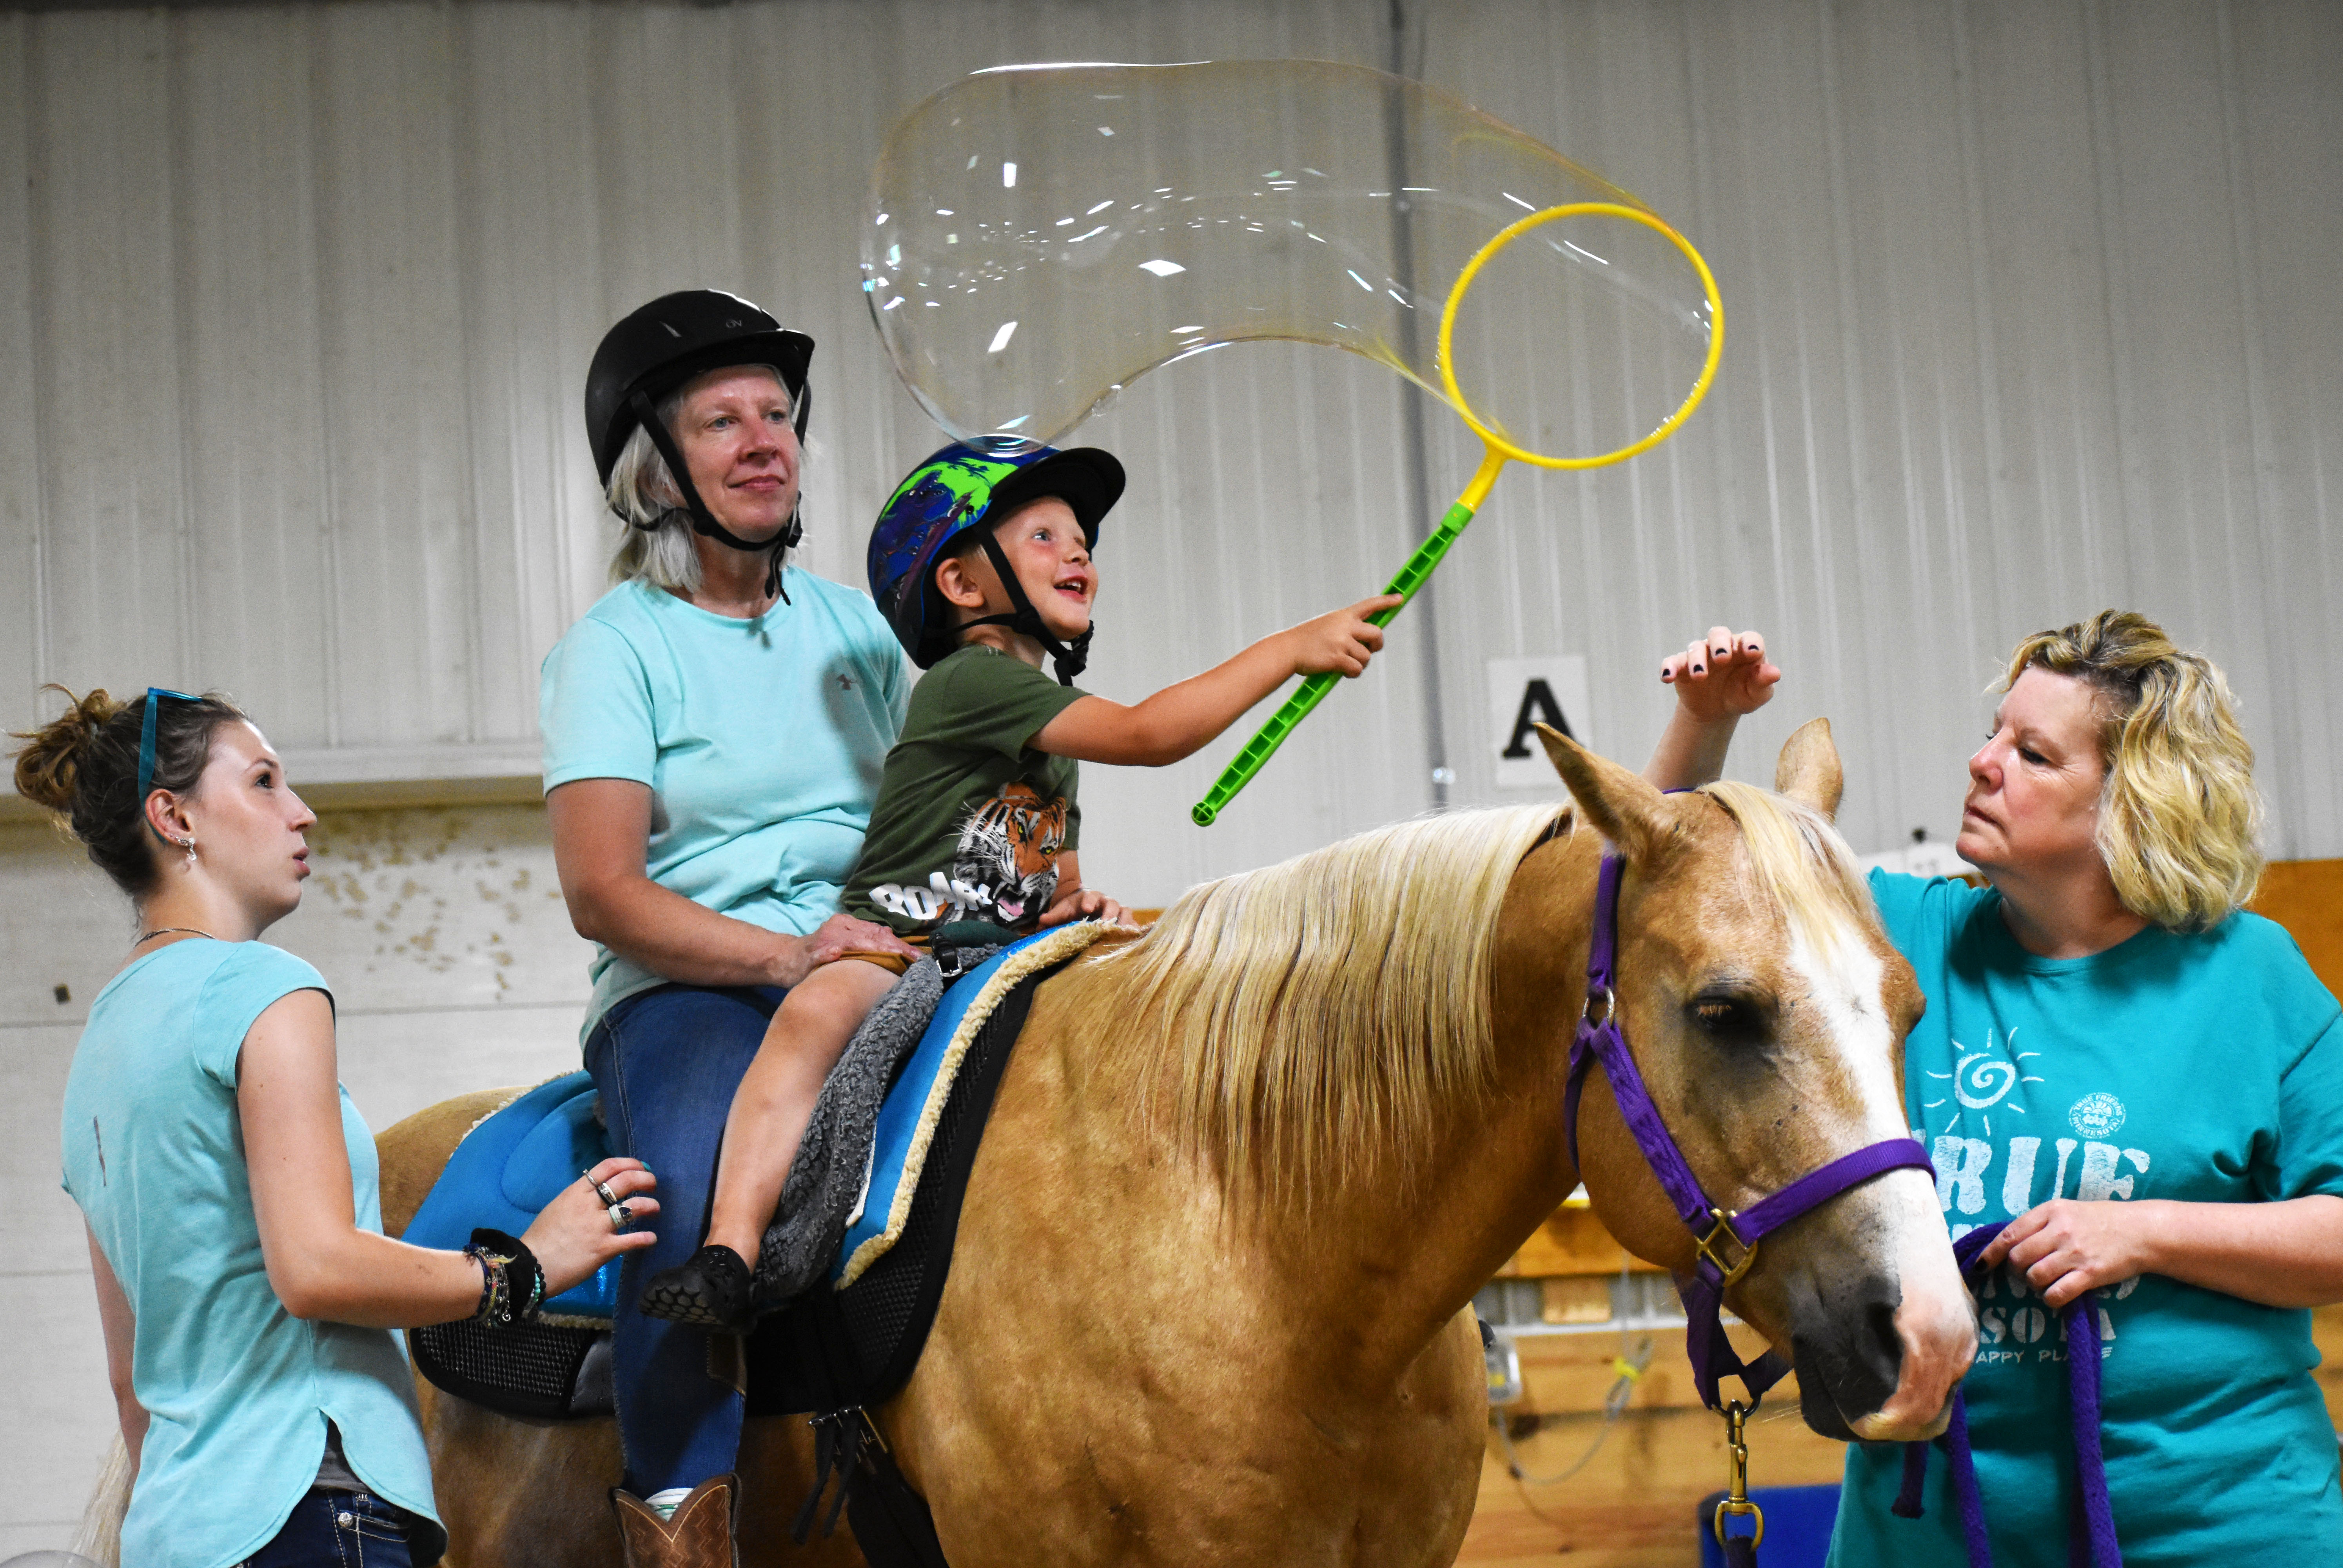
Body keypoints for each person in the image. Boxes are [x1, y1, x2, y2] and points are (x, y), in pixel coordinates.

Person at [638, 439, 1400, 1329]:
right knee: (813, 1017)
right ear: (963, 585)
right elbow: (1153, 733)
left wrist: (1079, 901)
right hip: (898, 938)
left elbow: (1053, 868)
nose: (1077, 553)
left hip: (995, 951)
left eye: (1082, 540)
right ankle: (732, 1245)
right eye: (1044, 535)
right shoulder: (972, 682)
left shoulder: (1045, 729)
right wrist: (1287, 650)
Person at [1649, 614, 2343, 1567]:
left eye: (2032, 753)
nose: (1984, 763)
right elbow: (1667, 891)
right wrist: (1704, 724)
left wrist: (2144, 1230)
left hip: (2218, 1525)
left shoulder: (2253, 978)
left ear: (2132, 803)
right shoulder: (1898, 938)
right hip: (1930, 1533)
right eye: (1994, 733)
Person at [13, 686, 657, 1568]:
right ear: (174, 816)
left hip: (173, 1528)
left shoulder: (99, 1046)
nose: (302, 811)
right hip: (310, 1507)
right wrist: (523, 1265)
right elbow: (314, 1266)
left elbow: (134, 1387)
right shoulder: (263, 989)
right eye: (266, 782)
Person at [541, 289, 918, 1561]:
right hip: (696, 986)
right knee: (690, 1194)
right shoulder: (616, 649)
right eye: (723, 421)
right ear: (658, 473)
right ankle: (681, 1518)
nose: (767, 439)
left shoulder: (858, 630)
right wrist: (785, 951)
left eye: (778, 414)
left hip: (883, 957)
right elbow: (604, 891)